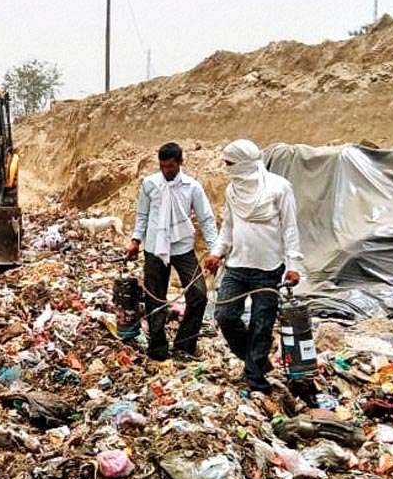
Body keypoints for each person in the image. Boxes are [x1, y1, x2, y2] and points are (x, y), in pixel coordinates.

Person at [203, 139, 304, 393]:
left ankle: (255, 377)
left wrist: (293, 264)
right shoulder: (232, 191)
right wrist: (217, 253)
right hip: (236, 265)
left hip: (268, 269)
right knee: (225, 316)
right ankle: (254, 359)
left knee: (262, 324)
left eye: (230, 164)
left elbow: (290, 228)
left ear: (244, 163)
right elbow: (228, 227)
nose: (227, 168)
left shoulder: (279, 188)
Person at [124, 142, 218, 361]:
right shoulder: (150, 184)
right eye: (163, 166)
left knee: (199, 294)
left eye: (171, 166)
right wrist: (135, 240)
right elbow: (143, 215)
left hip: (182, 247)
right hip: (155, 248)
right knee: (155, 298)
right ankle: (158, 349)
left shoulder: (192, 187)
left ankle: (185, 345)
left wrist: (214, 250)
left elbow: (206, 219)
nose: (166, 171)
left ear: (180, 163)